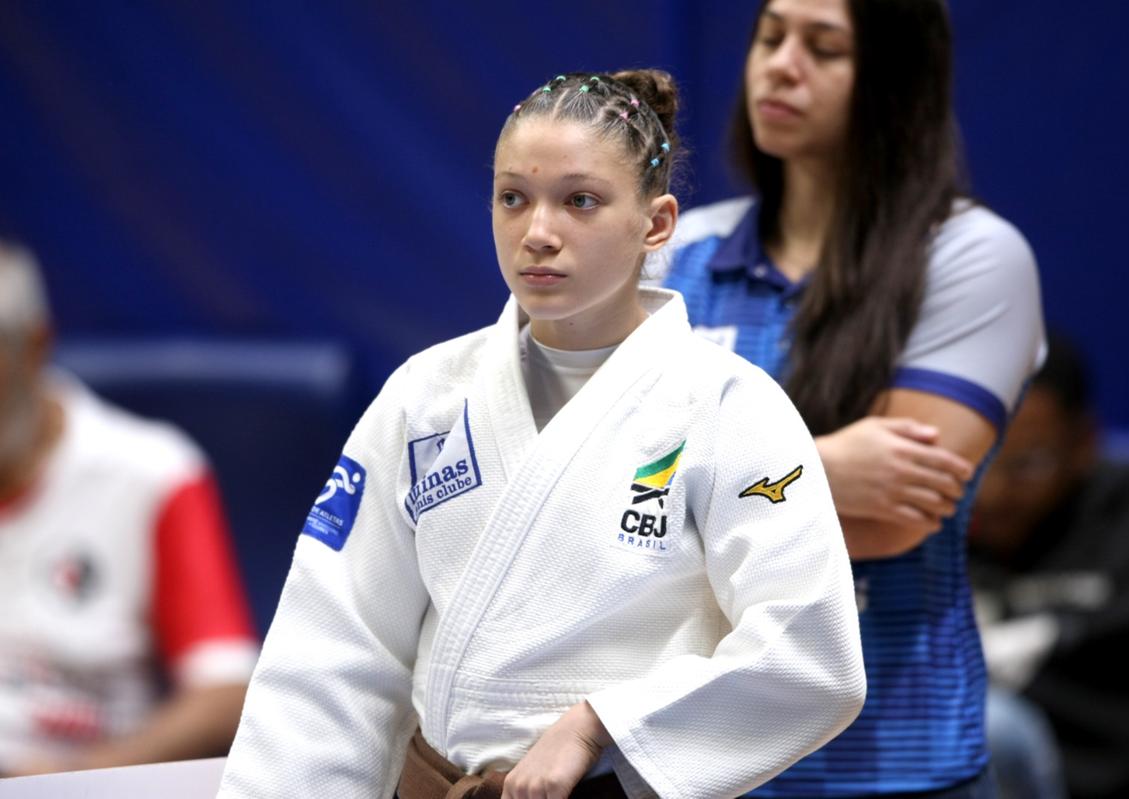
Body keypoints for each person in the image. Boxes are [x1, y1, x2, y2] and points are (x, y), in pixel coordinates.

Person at [218, 69, 867, 799]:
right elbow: (335, 639)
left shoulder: (729, 406)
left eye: (580, 201)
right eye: (512, 198)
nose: (538, 233)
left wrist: (603, 723)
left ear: (656, 224)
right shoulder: (426, 397)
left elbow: (811, 652)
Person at [660, 0, 1045, 795]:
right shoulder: (674, 256)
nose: (781, 64)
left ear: (896, 79)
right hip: (692, 745)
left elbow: (892, 517)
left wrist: (671, 487)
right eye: (770, 36)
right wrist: (827, 464)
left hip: (894, 753)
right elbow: (581, 493)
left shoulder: (973, 256)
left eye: (824, 47)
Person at [0, 242, 259, 776]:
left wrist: (88, 776)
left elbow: (226, 691)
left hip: (86, 773)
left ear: (34, 347)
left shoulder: (154, 472)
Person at [970, 334, 1129, 798]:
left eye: (1027, 464)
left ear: (1083, 444)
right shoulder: (906, 534)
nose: (993, 493)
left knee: (995, 728)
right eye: (974, 462)